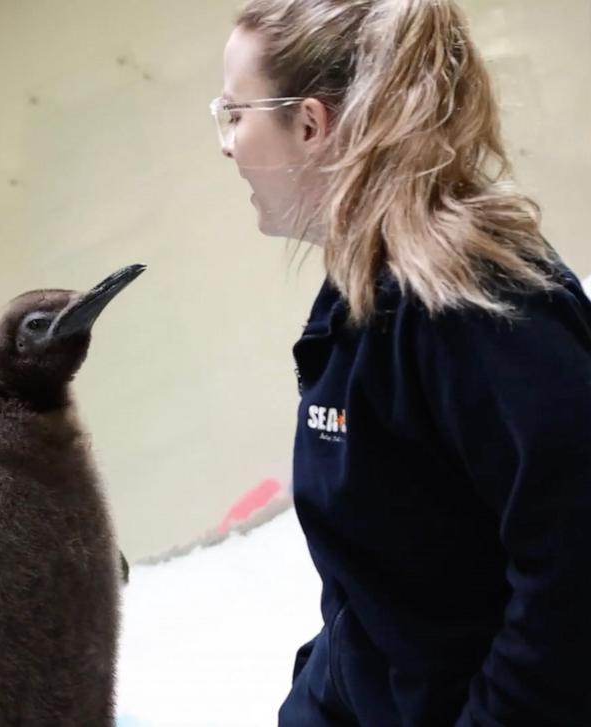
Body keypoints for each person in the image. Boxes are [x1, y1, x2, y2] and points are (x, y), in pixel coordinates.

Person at [212, 1, 591, 724]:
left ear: (310, 124)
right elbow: (381, 599)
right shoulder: (356, 296)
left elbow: (570, 590)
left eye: (235, 113)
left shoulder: (480, 308)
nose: (226, 144)